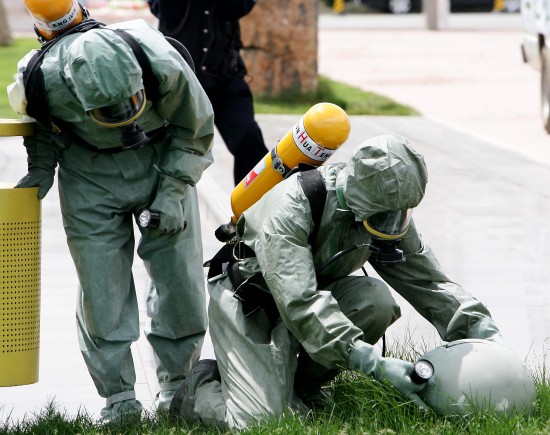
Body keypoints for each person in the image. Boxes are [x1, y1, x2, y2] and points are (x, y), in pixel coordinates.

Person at [168, 134, 506, 429]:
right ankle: (197, 390)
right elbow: (300, 302)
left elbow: (428, 281)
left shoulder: (384, 209)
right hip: (250, 302)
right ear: (361, 200)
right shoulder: (292, 207)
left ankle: (302, 387)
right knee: (262, 422)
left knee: (375, 300)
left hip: (310, 298)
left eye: (401, 213)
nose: (394, 222)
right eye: (387, 214)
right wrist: (373, 364)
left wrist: (484, 334)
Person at [8, 0, 215, 422]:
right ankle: (118, 398)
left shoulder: (156, 56)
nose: (125, 117)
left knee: (180, 279)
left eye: (132, 102)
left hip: (162, 160)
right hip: (88, 175)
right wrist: (42, 169)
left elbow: (195, 127)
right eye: (111, 112)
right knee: (101, 288)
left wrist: (175, 190)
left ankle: (177, 384)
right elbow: (45, 130)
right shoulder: (38, 78)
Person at [147, 0, 269, 185]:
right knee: (162, 148)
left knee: (249, 138)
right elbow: (168, 13)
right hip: (179, 80)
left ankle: (253, 207)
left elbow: (238, 8)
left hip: (225, 76)